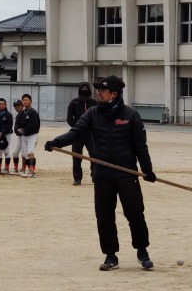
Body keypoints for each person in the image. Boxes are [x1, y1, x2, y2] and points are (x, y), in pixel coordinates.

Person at [44, 75, 157, 271]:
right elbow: (76, 132)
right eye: (98, 90)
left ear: (113, 94)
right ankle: (110, 255)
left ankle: (142, 251)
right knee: (104, 215)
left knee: (135, 213)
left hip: (126, 172)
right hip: (102, 172)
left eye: (102, 91)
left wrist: (147, 170)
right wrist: (56, 142)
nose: (98, 93)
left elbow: (141, 146)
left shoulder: (131, 115)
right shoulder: (93, 114)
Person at [66, 82, 95, 184]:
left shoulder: (94, 102)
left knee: (94, 155)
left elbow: (99, 117)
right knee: (76, 156)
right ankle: (77, 178)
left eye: (86, 88)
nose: (84, 90)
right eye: (82, 88)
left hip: (91, 134)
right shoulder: (74, 102)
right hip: (77, 134)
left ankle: (94, 175)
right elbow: (69, 118)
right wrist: (76, 128)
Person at [15, 93, 41, 176]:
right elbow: (18, 123)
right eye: (23, 100)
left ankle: (32, 171)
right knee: (24, 153)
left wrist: (24, 130)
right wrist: (18, 130)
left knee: (30, 152)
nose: (25, 101)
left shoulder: (33, 112)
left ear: (30, 101)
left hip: (32, 135)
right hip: (24, 136)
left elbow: (33, 125)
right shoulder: (22, 112)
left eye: (27, 100)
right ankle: (26, 170)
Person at [10, 99, 25, 174]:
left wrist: (23, 130)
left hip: (26, 136)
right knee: (15, 153)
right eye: (15, 106)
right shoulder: (18, 115)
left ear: (22, 106)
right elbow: (16, 126)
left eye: (18, 106)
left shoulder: (25, 114)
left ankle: (24, 168)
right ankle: (15, 168)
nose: (17, 108)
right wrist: (17, 130)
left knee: (24, 153)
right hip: (20, 136)